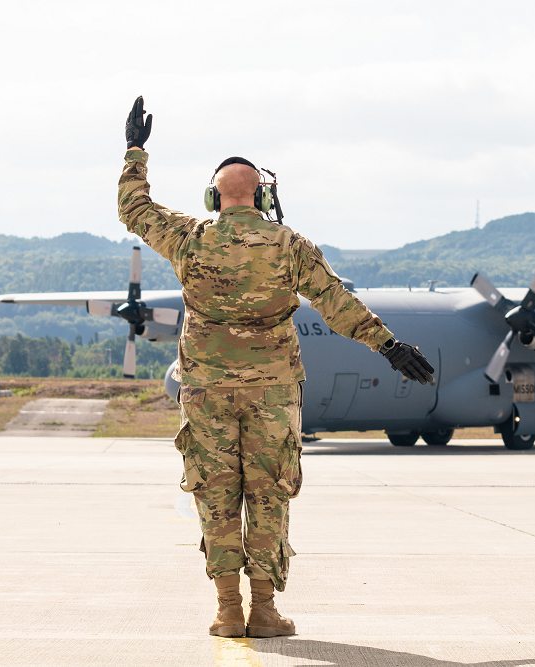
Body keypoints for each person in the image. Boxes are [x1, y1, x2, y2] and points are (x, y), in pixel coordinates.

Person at [117, 96, 434, 638]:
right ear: (263, 194)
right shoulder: (290, 246)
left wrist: (136, 151)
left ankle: (227, 609)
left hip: (206, 390)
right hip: (272, 391)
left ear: (214, 196)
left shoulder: (189, 239)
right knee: (268, 494)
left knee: (216, 494)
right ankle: (263, 610)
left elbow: (134, 210)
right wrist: (390, 347)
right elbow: (338, 305)